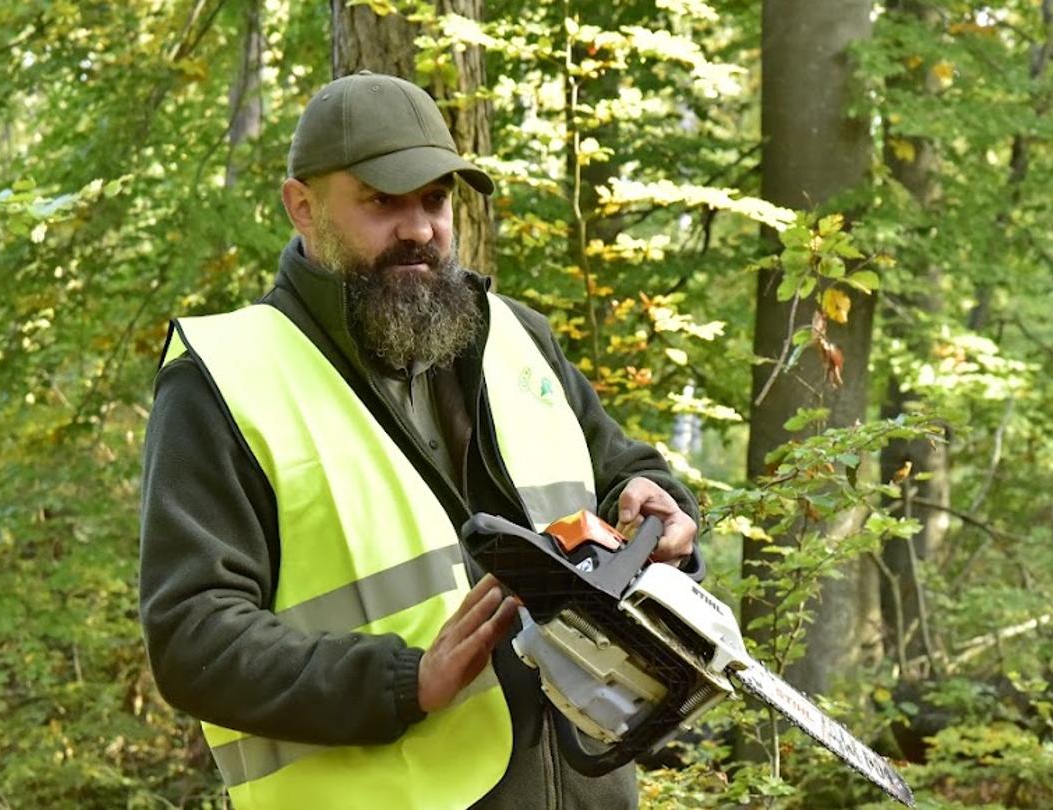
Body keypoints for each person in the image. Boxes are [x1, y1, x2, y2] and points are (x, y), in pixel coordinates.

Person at [139, 71, 703, 809]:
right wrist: (404, 682)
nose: (420, 228)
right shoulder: (223, 380)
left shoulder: (516, 336)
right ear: (301, 207)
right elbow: (194, 640)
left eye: (435, 199)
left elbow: (620, 471)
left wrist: (661, 505)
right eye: (382, 201)